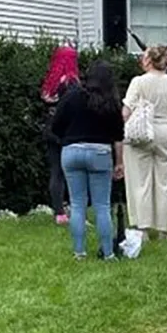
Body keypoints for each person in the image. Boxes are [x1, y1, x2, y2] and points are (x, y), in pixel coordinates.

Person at [50, 61, 124, 260]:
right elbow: (119, 134)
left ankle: (79, 252)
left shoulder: (72, 97)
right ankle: (108, 253)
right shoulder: (111, 102)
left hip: (71, 151)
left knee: (77, 203)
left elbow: (55, 125)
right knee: (101, 205)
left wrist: (67, 137)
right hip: (100, 153)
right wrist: (119, 162)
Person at [123, 46, 167, 241]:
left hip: (142, 132)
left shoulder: (138, 82)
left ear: (149, 61)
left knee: (139, 181)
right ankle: (164, 229)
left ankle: (142, 228)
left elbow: (126, 111)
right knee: (165, 182)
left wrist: (128, 127)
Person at [41, 45, 81, 225]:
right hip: (68, 131)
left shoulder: (50, 82)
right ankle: (73, 208)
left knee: (56, 171)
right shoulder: (71, 82)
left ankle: (58, 211)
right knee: (72, 171)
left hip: (51, 129)